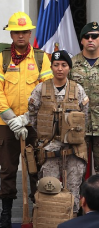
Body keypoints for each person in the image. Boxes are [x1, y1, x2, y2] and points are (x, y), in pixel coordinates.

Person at [0, 12, 53, 228]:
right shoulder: (3, 58)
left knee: (35, 167)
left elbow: (47, 90)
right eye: (17, 32)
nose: (21, 36)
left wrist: (27, 117)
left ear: (30, 33)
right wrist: (11, 119)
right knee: (7, 169)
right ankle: (5, 214)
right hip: (7, 125)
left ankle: (37, 212)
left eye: (25, 32)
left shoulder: (41, 58)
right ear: (11, 34)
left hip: (34, 124)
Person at [28, 50, 89, 215]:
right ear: (51, 67)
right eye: (56, 65)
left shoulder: (78, 90)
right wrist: (45, 133)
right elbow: (32, 115)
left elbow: (85, 116)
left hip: (74, 150)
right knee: (49, 189)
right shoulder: (41, 89)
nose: (59, 69)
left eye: (63, 65)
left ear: (69, 68)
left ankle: (73, 220)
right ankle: (50, 221)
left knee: (73, 190)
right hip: (49, 151)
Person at [70, 22, 99, 175]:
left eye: (95, 36)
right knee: (78, 170)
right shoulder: (72, 64)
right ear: (81, 40)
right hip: (78, 127)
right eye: (86, 36)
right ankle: (81, 199)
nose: (90, 39)